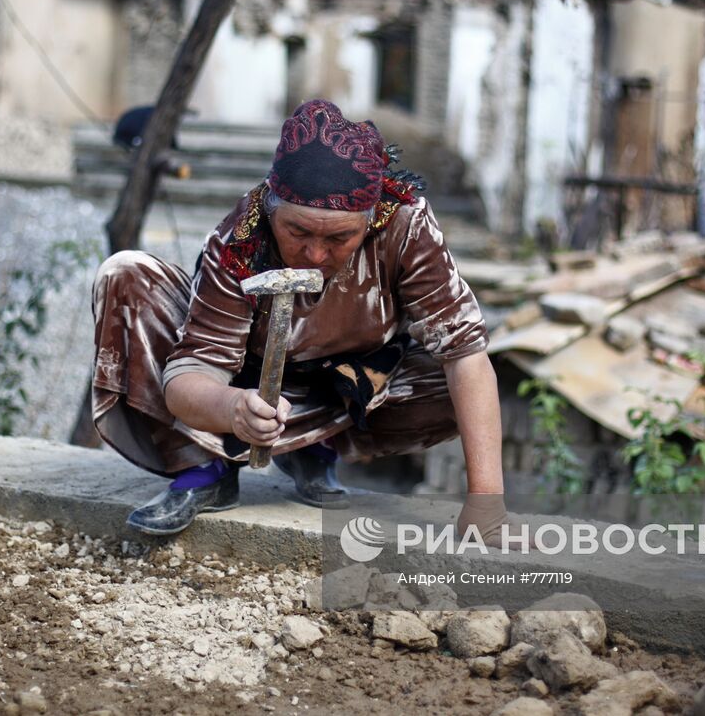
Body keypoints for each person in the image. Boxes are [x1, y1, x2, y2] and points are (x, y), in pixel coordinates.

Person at [79, 99, 504, 535]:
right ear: (271, 210)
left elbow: (465, 355)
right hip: (244, 383)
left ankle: (315, 446)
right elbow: (193, 373)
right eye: (297, 232)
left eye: (340, 237)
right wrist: (232, 408)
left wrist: (486, 505)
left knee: (467, 374)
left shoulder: (406, 224)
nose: (316, 255)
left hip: (348, 388)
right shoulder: (241, 239)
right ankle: (202, 464)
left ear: (371, 220)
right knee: (125, 274)